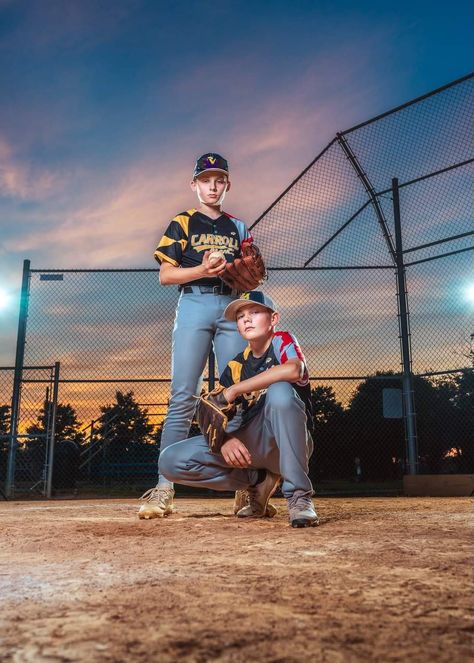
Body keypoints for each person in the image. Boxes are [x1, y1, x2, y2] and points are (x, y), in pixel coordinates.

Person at [139, 153, 259, 519]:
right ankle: (163, 488)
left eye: (219, 179)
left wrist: (249, 275)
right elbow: (165, 276)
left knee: (238, 396)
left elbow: (252, 272)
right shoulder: (183, 222)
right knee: (183, 397)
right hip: (193, 305)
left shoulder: (238, 227)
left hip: (230, 307)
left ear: (227, 185)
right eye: (205, 179)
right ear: (194, 184)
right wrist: (202, 268)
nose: (212, 185)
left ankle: (246, 487)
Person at [159, 291, 319, 528]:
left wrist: (234, 390)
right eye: (241, 315)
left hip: (288, 443)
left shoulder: (281, 340)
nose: (246, 319)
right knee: (170, 460)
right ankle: (259, 481)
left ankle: (299, 497)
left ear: (273, 319)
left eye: (255, 312)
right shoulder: (236, 365)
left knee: (280, 392)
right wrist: (223, 440)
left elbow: (295, 369)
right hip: (252, 445)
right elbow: (211, 410)